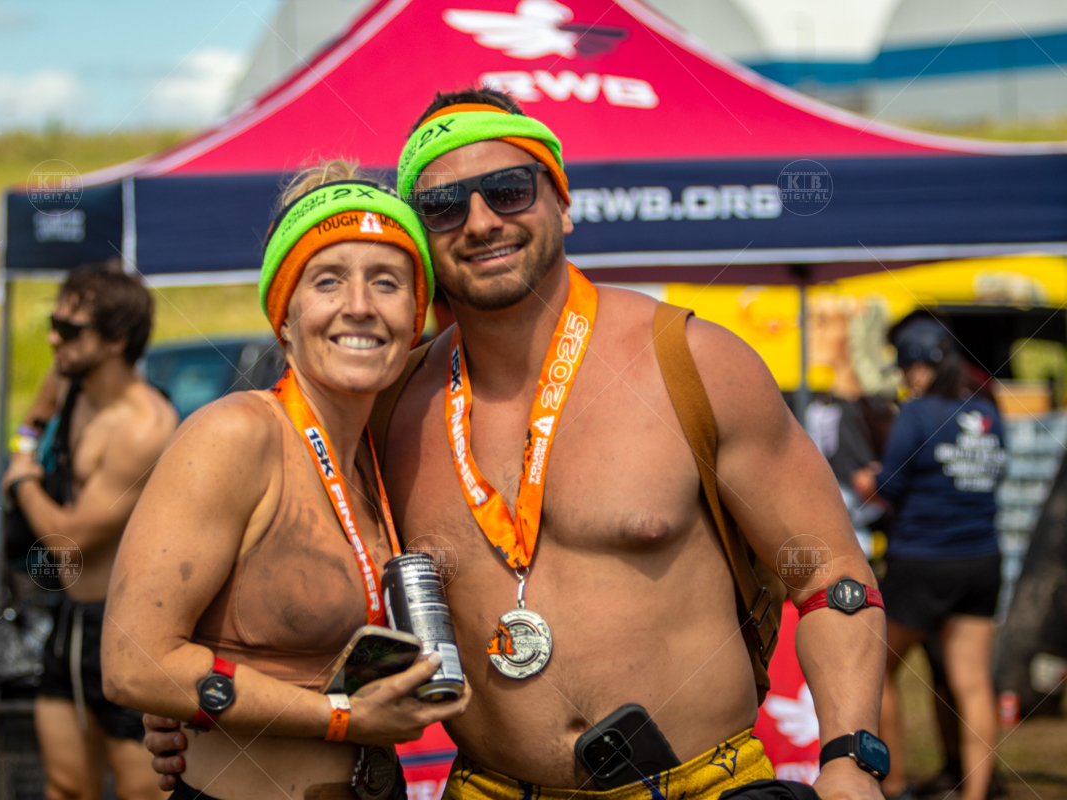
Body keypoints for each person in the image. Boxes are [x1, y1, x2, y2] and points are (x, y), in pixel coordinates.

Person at [147, 89, 888, 800]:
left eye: (509, 190)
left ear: (561, 201)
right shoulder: (391, 405)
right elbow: (266, 577)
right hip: (486, 786)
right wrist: (187, 690)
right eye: (442, 207)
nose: (479, 222)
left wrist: (852, 759)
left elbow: (829, 576)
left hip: (696, 784)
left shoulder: (693, 363)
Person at [101, 161, 469, 800]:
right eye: (328, 281)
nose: (359, 306)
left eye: (386, 282)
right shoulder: (236, 436)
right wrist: (343, 719)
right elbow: (134, 665)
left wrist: (198, 700)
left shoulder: (380, 453)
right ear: (285, 316)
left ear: (414, 316)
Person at [2, 267, 178, 800]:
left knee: (139, 792)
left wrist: (23, 482)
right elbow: (32, 421)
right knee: (65, 786)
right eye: (54, 322)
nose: (54, 336)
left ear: (116, 341)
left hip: (126, 627)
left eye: (69, 328)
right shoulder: (66, 380)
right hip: (67, 617)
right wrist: (26, 447)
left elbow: (69, 543)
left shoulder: (144, 425)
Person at [864, 320, 1005, 800]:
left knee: (875, 669)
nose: (906, 380)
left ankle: (894, 785)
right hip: (983, 558)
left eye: (908, 369)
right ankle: (976, 792)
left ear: (920, 367)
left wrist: (869, 483)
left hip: (922, 560)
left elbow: (890, 488)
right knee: (972, 682)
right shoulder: (988, 411)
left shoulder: (918, 413)